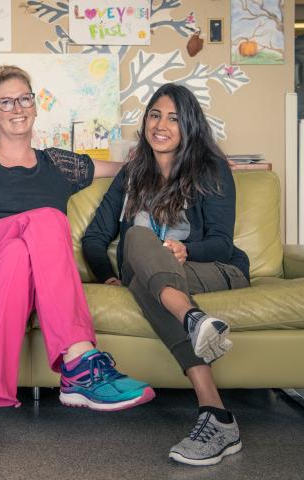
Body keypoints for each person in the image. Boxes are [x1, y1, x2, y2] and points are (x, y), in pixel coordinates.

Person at [0, 65, 153, 471]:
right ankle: (79, 361)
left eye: (24, 98)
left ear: (35, 104)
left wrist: (202, 162)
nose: (17, 108)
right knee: (44, 220)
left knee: (17, 257)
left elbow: (127, 170)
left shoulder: (59, 164)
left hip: (9, 270)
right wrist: (26, 230)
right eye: (5, 101)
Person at [81, 83, 248, 466]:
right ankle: (213, 404)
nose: (161, 125)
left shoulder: (211, 169)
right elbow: (94, 237)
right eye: (155, 115)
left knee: (144, 272)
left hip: (212, 268)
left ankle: (193, 323)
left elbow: (222, 243)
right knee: (139, 249)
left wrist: (187, 250)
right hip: (155, 274)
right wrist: (107, 275)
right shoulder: (131, 176)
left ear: (188, 126)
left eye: (173, 118)